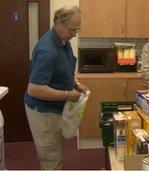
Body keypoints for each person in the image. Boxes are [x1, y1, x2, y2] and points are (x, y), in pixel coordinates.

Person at [24, 6, 88, 169]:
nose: (74, 34)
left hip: (55, 108)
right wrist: (67, 94)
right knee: (51, 157)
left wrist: (75, 85)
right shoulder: (47, 50)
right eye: (72, 30)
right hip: (43, 111)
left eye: (77, 30)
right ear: (58, 23)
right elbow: (34, 89)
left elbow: (61, 69)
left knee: (55, 151)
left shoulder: (62, 41)